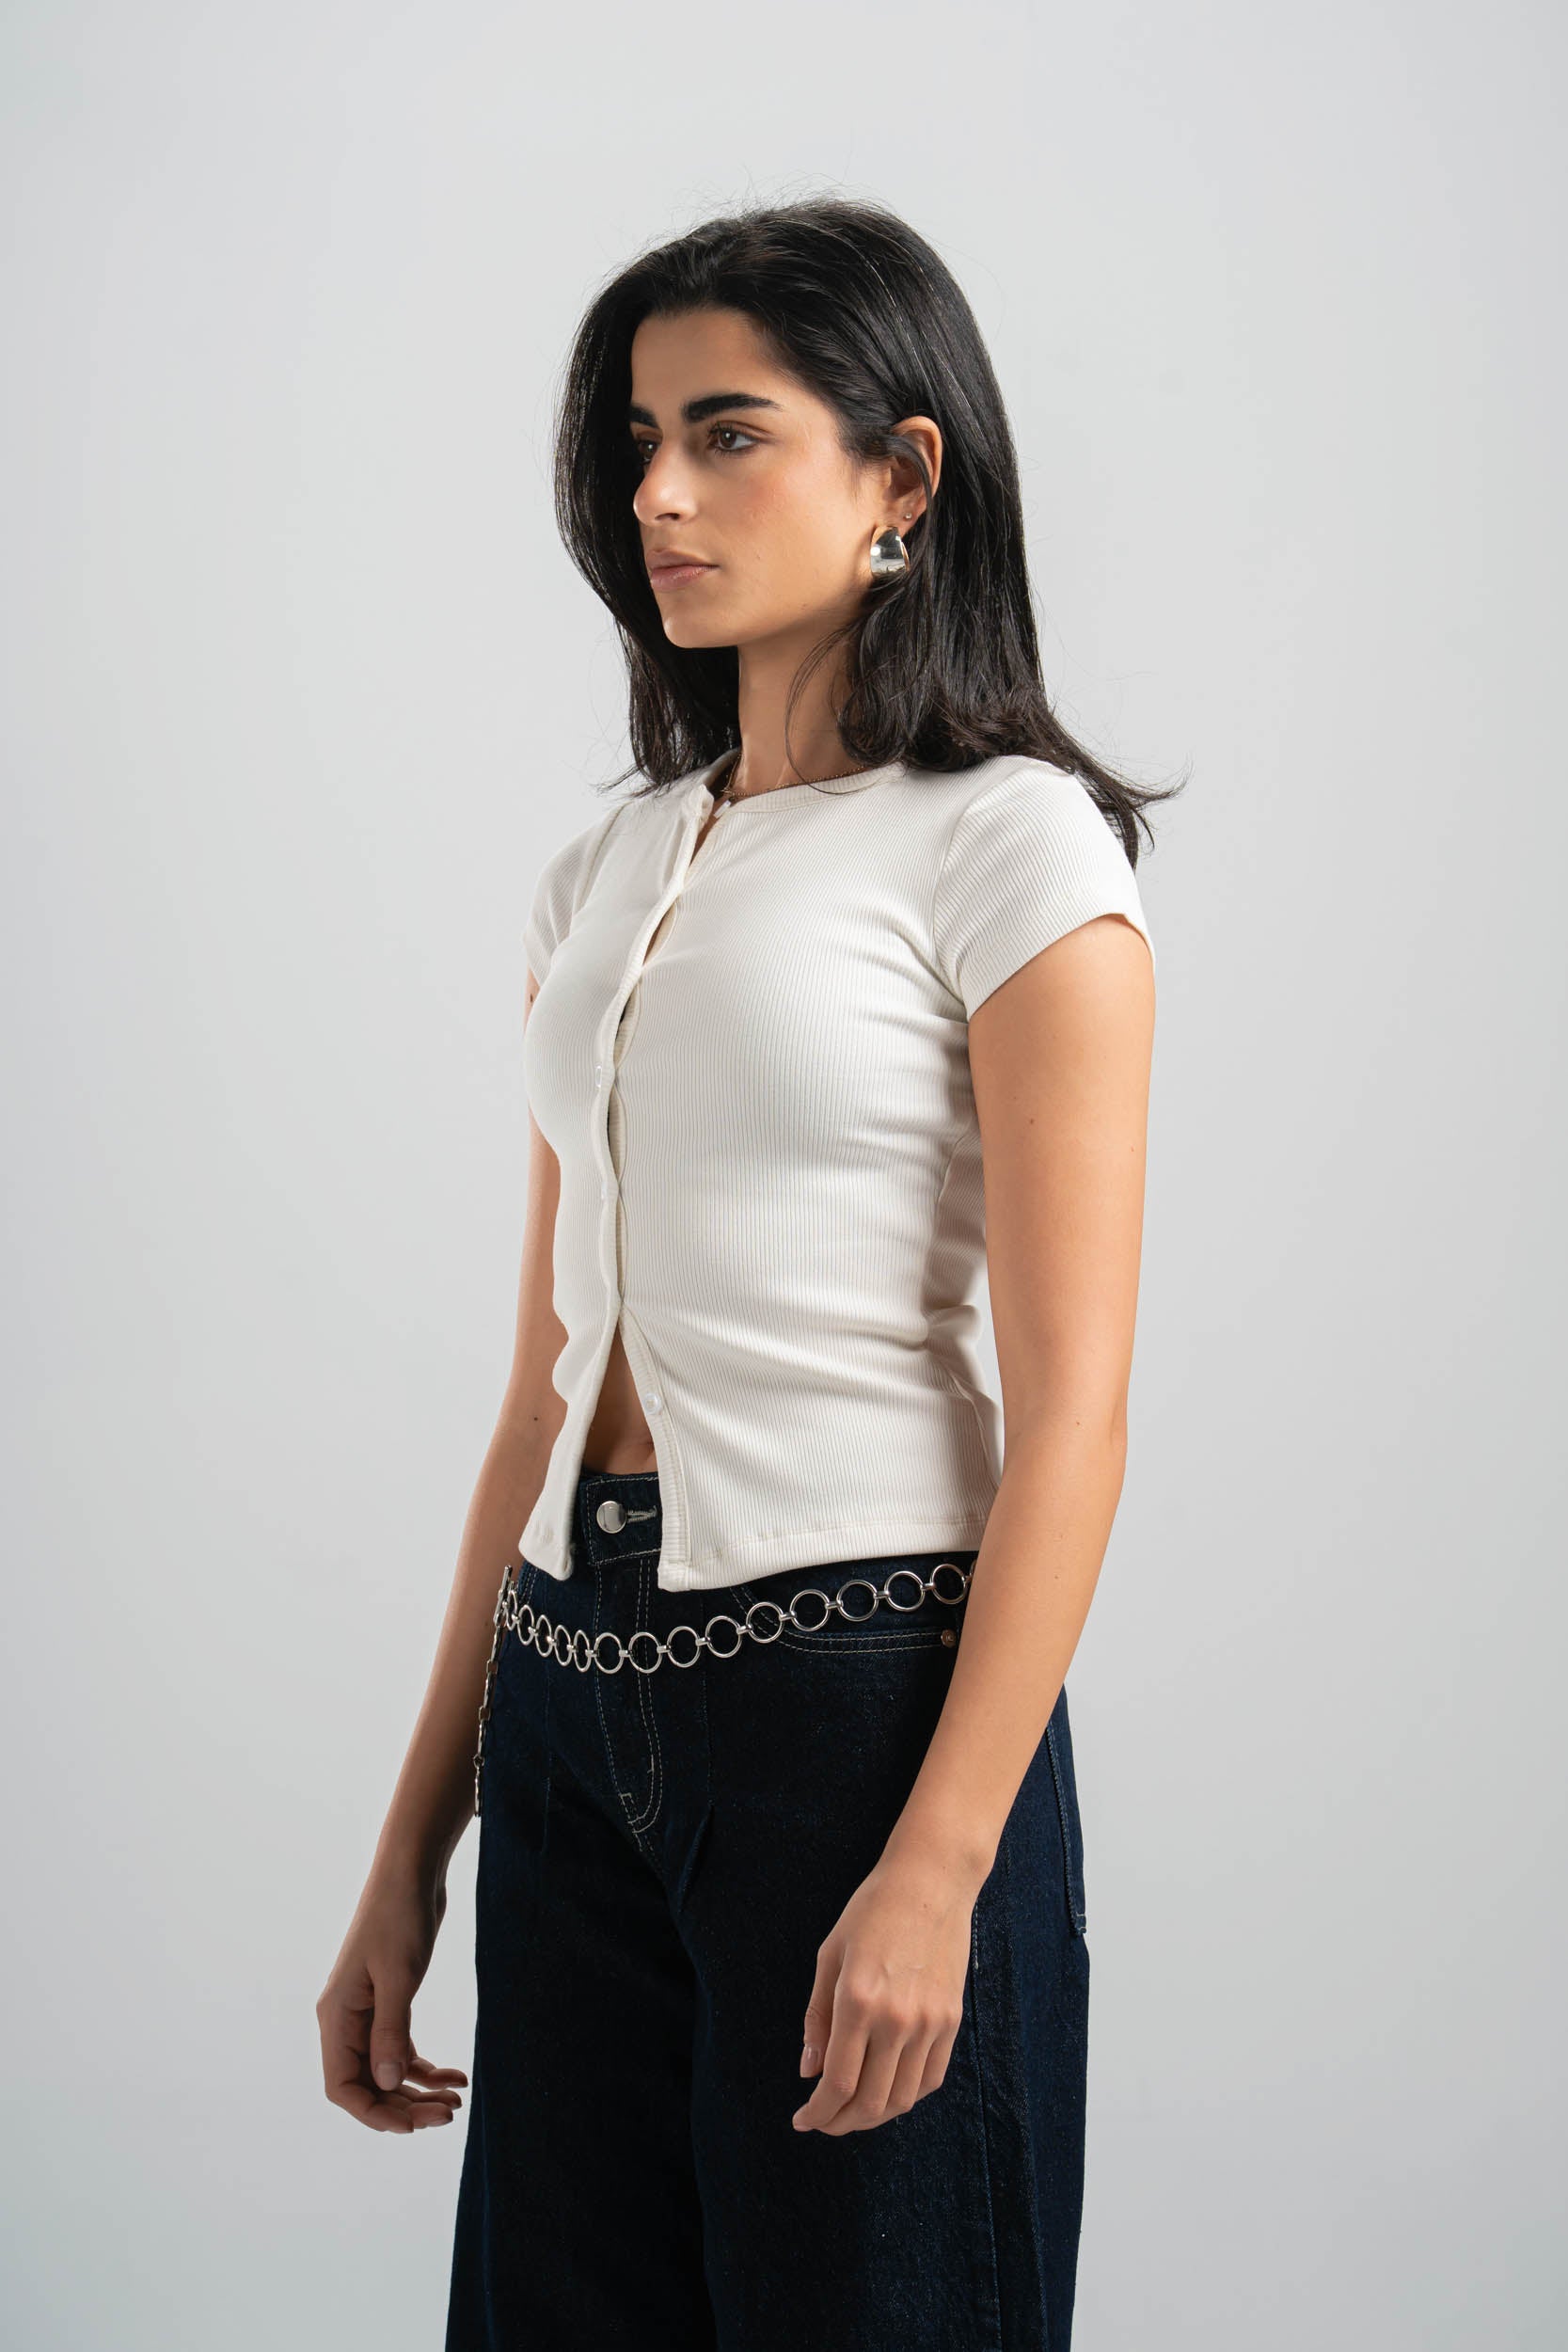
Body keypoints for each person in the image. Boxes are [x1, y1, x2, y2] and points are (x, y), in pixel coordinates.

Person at [317, 194, 1179, 2351]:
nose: (658, 498)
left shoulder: (1011, 844)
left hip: (855, 1705)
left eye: (727, 435)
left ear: (904, 477)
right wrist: (416, 1844)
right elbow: (541, 1377)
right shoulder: (609, 861)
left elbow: (1072, 1408)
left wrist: (942, 1858)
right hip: (565, 1682)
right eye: (634, 443)